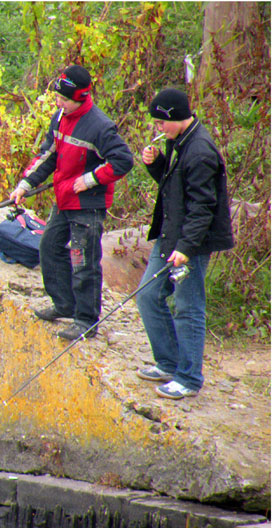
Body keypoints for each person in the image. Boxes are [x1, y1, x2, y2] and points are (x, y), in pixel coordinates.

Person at [9, 65, 133, 340]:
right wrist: (26, 184)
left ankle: (86, 321)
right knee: (49, 247)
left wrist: (90, 179)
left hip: (87, 206)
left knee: (83, 261)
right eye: (57, 98)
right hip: (63, 199)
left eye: (63, 99)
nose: (58, 103)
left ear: (80, 97)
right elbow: (48, 154)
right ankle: (64, 303)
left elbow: (123, 160)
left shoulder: (100, 126)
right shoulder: (61, 117)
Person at [135, 88, 234, 400]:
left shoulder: (201, 151)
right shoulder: (178, 141)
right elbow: (176, 187)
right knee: (148, 295)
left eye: (160, 122)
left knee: (188, 308)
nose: (157, 128)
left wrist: (187, 248)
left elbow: (203, 207)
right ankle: (168, 362)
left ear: (175, 117)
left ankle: (189, 378)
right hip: (170, 235)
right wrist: (157, 164)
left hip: (190, 243)